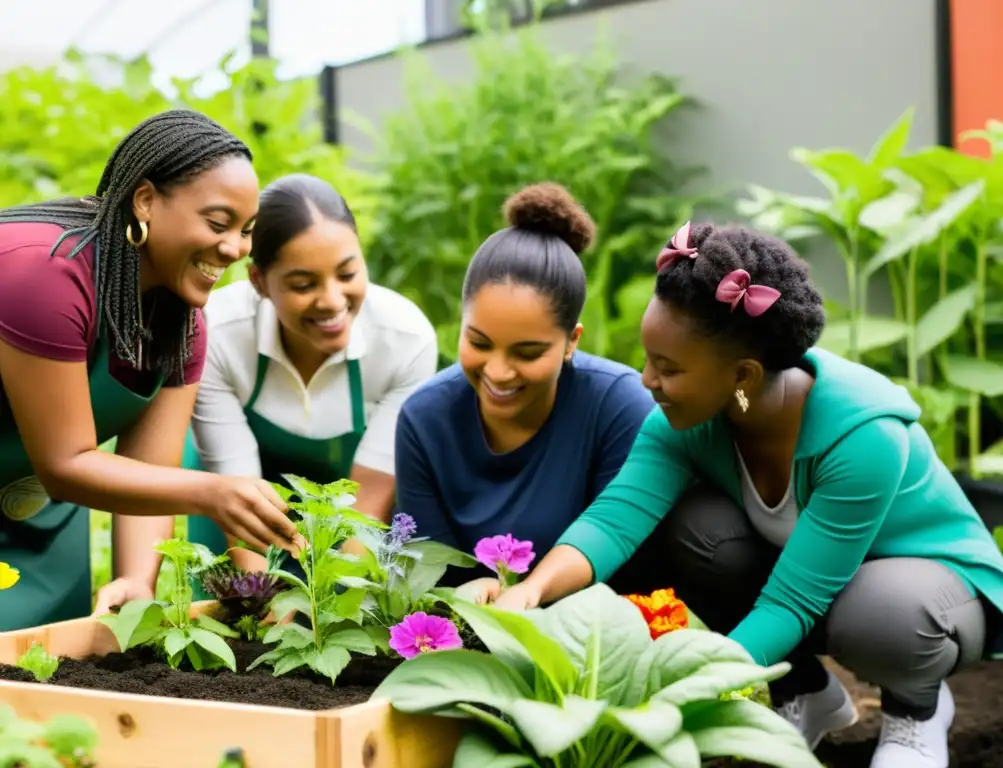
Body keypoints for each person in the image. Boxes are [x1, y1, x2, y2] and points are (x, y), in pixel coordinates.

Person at [492, 220, 1003, 768]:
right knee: (697, 530)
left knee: (881, 611)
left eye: (668, 368)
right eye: (648, 358)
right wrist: (533, 590)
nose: (647, 379)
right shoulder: (688, 419)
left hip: (932, 589)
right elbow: (614, 518)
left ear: (742, 375)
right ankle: (808, 694)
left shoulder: (862, 439)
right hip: (816, 580)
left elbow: (794, 601)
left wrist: (685, 690)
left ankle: (917, 714)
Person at [0, 110, 300, 631]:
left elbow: (150, 476)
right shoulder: (44, 274)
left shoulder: (183, 323)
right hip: (53, 479)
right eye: (217, 223)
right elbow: (66, 463)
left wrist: (138, 578)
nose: (234, 248)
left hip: (34, 513)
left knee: (43, 666)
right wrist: (213, 491)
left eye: (247, 230)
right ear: (145, 201)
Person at [394, 182, 657, 589]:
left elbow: (625, 557)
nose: (498, 372)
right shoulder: (424, 419)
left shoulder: (618, 408)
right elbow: (424, 573)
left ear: (572, 341)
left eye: (527, 353)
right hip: (464, 634)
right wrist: (465, 595)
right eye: (479, 343)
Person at [181, 173, 437, 576]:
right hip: (236, 512)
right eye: (303, 284)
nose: (333, 301)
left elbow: (369, 499)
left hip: (351, 519)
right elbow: (240, 495)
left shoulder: (404, 340)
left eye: (348, 274)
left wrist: (322, 609)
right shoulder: (219, 335)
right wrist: (258, 607)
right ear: (259, 281)